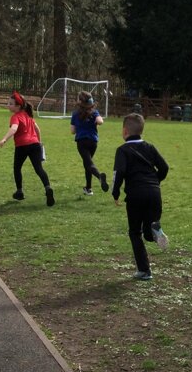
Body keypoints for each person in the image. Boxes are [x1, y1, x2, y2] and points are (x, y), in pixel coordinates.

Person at [112, 113, 169, 281]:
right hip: (154, 193)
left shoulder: (122, 150)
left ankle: (144, 271)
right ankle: (156, 230)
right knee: (149, 232)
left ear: (125, 131)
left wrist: (115, 193)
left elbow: (119, 172)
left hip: (135, 194)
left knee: (135, 232)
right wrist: (155, 181)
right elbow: (164, 167)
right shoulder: (150, 147)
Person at [0, 91, 55, 207]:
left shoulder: (15, 117)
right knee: (39, 169)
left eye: (10, 104)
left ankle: (19, 192)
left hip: (22, 146)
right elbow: (38, 129)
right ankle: (47, 188)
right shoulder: (28, 115)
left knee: (17, 168)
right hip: (35, 144)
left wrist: (4, 139)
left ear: (18, 106)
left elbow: (14, 129)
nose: (8, 105)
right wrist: (39, 142)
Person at [70, 91, 108, 196]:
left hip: (82, 141)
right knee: (87, 163)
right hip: (93, 141)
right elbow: (100, 121)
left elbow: (72, 131)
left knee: (88, 163)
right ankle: (88, 188)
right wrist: (96, 121)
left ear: (80, 101)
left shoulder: (75, 113)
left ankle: (100, 177)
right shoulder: (94, 112)